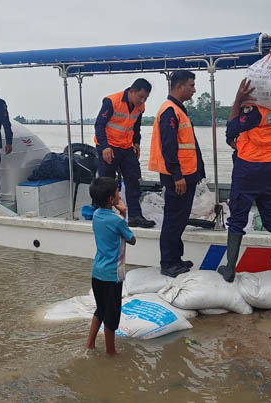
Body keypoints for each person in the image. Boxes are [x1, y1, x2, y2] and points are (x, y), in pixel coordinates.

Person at [217, 50, 271, 284]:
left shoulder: (255, 112)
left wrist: (238, 100)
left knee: (238, 217)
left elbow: (230, 131)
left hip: (248, 167)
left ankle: (230, 269)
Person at [148, 70, 205, 277]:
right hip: (177, 177)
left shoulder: (179, 110)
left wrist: (199, 170)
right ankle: (168, 263)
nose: (194, 89)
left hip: (187, 174)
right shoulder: (170, 111)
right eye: (191, 85)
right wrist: (177, 175)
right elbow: (169, 146)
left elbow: (189, 145)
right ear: (179, 86)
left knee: (180, 219)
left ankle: (176, 258)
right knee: (173, 220)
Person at [94, 79, 156, 228]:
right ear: (131, 91)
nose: (142, 100)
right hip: (109, 147)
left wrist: (137, 143)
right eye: (140, 96)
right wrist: (105, 147)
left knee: (133, 179)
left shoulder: (140, 107)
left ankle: (135, 216)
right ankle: (101, 214)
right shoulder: (111, 102)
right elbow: (99, 125)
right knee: (106, 182)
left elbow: (136, 126)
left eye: (145, 98)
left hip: (126, 147)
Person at [85, 176, 136, 355]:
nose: (119, 194)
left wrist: (118, 213)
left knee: (100, 309)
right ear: (111, 199)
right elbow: (132, 239)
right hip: (112, 275)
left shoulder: (97, 215)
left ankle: (89, 345)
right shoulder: (117, 220)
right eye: (117, 192)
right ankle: (111, 353)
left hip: (97, 272)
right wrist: (123, 213)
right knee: (111, 318)